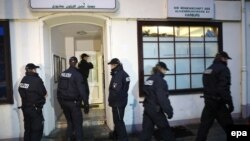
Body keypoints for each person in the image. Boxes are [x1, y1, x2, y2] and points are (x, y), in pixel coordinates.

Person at [195, 51, 234, 141]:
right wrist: (230, 103)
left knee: (203, 128)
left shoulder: (208, 69)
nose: (227, 61)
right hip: (219, 104)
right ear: (223, 59)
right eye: (226, 59)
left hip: (208, 103)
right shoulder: (224, 69)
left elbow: (206, 86)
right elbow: (223, 89)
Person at [140, 62, 175, 141]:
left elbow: (145, 91)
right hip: (156, 110)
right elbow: (162, 99)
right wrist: (169, 111)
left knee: (146, 131)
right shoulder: (160, 81)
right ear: (161, 69)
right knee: (166, 131)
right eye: (165, 70)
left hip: (147, 108)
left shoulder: (149, 79)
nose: (165, 72)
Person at [57, 56, 89, 141]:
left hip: (64, 103)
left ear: (69, 63)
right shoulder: (77, 74)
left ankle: (68, 138)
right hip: (73, 104)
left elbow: (58, 90)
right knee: (78, 124)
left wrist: (61, 102)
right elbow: (82, 91)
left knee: (70, 123)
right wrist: (86, 103)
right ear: (77, 63)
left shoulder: (62, 73)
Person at [18, 63, 47, 141]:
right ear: (32, 70)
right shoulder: (37, 80)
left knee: (28, 129)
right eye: (35, 69)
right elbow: (44, 92)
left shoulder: (23, 79)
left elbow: (21, 92)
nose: (36, 70)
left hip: (25, 108)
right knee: (36, 130)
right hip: (35, 109)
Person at [108, 58, 130, 141]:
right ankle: (116, 137)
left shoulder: (118, 75)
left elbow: (115, 91)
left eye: (112, 65)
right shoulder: (124, 74)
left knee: (119, 122)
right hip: (121, 101)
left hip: (117, 102)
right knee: (118, 121)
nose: (111, 67)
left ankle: (123, 139)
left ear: (116, 65)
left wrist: (112, 102)